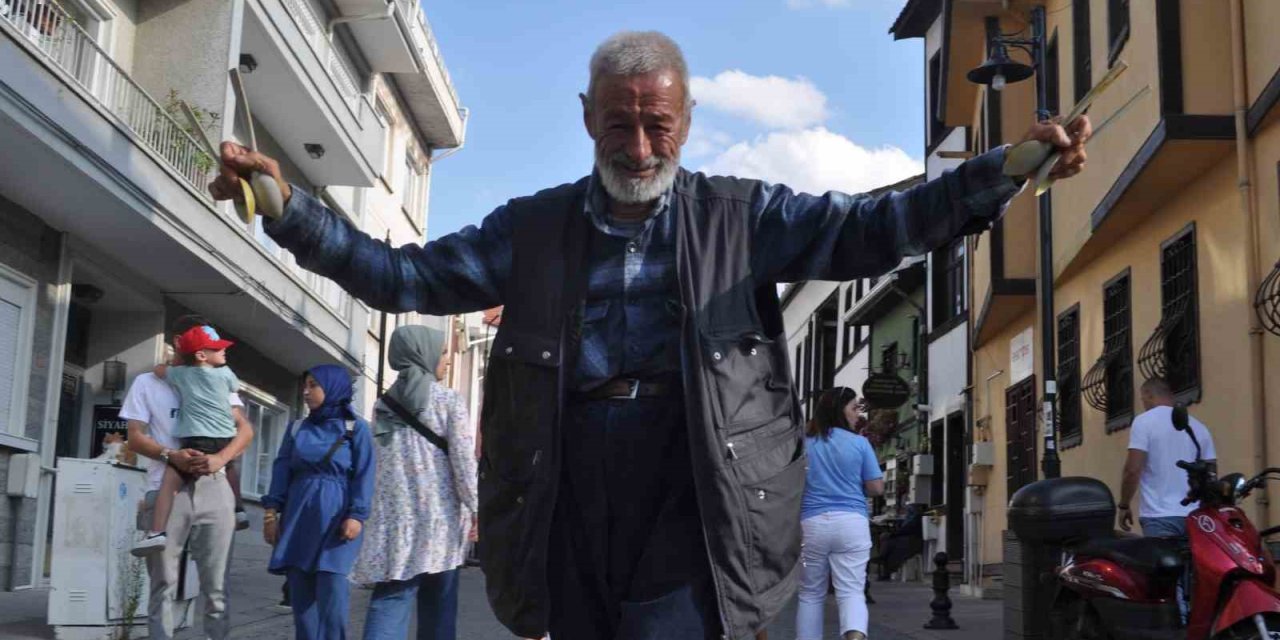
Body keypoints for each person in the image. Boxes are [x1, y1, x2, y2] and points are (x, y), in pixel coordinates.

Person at [209, 31, 1090, 640]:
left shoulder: (742, 217)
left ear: (688, 121)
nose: (638, 146)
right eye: (620, 123)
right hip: (565, 477)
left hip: (691, 478)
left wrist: (1004, 168)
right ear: (588, 115)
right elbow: (401, 276)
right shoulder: (534, 228)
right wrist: (287, 211)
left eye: (656, 125)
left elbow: (876, 225)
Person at [122, 315, 254, 640]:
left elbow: (245, 429)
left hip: (215, 486)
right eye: (202, 340)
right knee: (163, 583)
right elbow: (134, 437)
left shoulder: (216, 376)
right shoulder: (147, 383)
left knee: (217, 586)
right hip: (166, 487)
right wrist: (171, 455)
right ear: (180, 342)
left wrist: (219, 458)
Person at [353, 325, 479, 640]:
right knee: (439, 606)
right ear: (423, 353)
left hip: (396, 522)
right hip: (440, 523)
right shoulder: (449, 401)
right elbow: (464, 464)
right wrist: (479, 507)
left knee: (391, 599)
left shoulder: (384, 404)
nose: (447, 360)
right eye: (444, 352)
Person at [263, 365, 375, 640]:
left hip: (338, 519)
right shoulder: (297, 428)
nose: (306, 391)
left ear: (333, 387)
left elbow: (365, 473)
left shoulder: (355, 428)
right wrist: (270, 513)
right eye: (305, 385)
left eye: (314, 385)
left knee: (333, 595)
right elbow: (281, 470)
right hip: (299, 517)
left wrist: (357, 515)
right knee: (302, 602)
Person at [132, 324, 241, 556]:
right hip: (222, 440)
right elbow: (134, 439)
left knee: (170, 480)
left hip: (198, 446)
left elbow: (160, 371)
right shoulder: (224, 375)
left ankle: (156, 533)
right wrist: (222, 458)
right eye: (217, 347)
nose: (223, 351)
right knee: (231, 466)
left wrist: (172, 456)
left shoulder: (181, 375)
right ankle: (240, 508)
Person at [1118, 377, 1215, 621]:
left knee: (1163, 583)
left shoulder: (1144, 422)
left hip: (1159, 517)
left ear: (1149, 396)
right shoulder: (1198, 426)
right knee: (1193, 579)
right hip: (1195, 517)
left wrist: (1124, 504)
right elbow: (1211, 473)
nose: (1143, 404)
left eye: (1143, 399)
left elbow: (1133, 469)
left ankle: (1170, 627)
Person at [796, 388, 884, 640]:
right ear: (839, 409)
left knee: (810, 593)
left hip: (811, 524)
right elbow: (876, 487)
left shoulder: (804, 444)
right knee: (851, 591)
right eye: (855, 407)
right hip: (851, 523)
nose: (859, 414)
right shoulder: (859, 443)